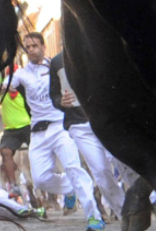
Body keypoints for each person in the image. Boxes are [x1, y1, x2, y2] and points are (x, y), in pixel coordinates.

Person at [10, 33, 105, 231]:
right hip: (38, 132)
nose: (31, 50)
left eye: (34, 45)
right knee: (40, 180)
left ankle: (94, 217)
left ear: (43, 47)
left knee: (73, 168)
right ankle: (71, 189)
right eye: (28, 47)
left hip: (60, 127)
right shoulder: (21, 74)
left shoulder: (55, 67)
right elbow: (3, 87)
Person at [49, 51, 126, 220]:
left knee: (124, 162)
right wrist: (60, 101)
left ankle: (151, 199)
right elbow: (54, 94)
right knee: (101, 171)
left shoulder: (96, 50)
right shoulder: (57, 62)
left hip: (105, 120)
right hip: (79, 125)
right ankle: (126, 215)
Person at [0, 74, 31, 200]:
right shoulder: (3, 93)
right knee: (5, 151)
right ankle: (13, 185)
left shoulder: (25, 92)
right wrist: (2, 87)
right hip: (11, 130)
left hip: (28, 127)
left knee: (37, 149)